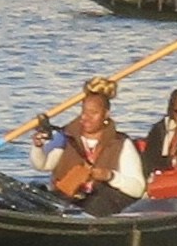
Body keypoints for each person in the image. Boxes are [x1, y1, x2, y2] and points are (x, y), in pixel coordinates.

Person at [30, 79, 144, 215]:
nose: (86, 117)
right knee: (35, 190)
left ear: (106, 115)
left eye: (93, 113)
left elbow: (138, 188)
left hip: (100, 206)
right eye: (84, 111)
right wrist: (38, 147)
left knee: (98, 202)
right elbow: (43, 165)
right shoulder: (66, 136)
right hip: (67, 200)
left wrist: (110, 176)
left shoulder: (121, 143)